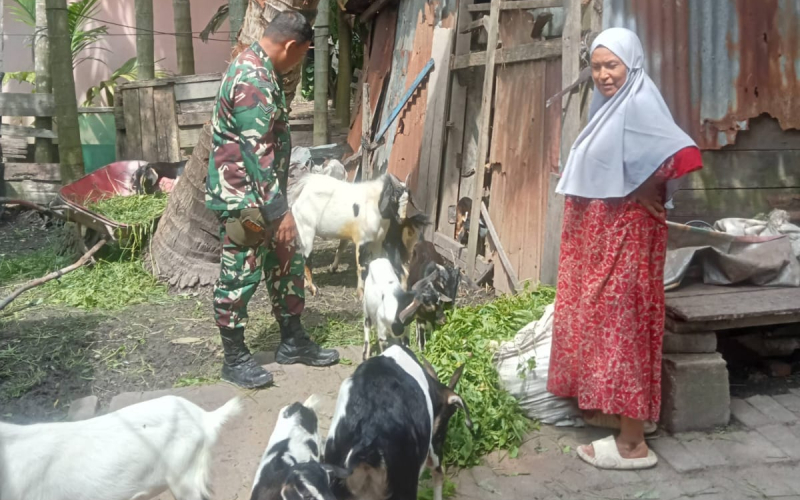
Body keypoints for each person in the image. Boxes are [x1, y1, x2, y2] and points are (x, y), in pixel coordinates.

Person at [547, 28, 703, 470]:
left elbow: (678, 153)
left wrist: (642, 188)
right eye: (596, 67)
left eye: (611, 65)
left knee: (623, 327)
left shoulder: (639, 105)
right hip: (605, 240)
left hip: (625, 241)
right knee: (606, 324)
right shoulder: (610, 110)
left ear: (631, 65)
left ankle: (633, 444)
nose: (603, 75)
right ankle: (622, 415)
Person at [206, 11, 340, 390]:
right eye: (303, 54)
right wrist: (279, 212)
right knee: (240, 273)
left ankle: (292, 340)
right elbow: (257, 151)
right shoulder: (252, 77)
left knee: (286, 259)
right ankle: (234, 357)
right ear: (290, 46)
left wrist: (278, 210)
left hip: (263, 195)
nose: (301, 60)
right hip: (244, 199)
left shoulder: (264, 71)